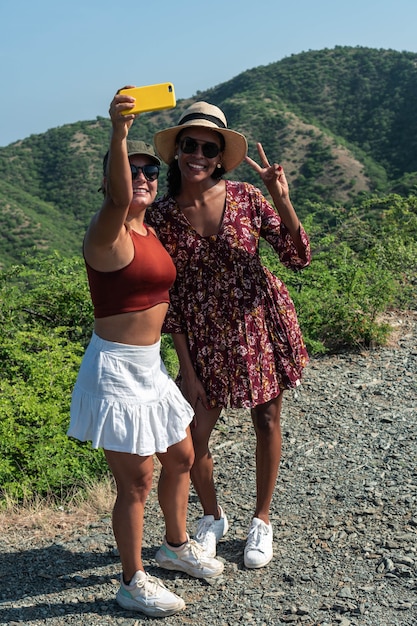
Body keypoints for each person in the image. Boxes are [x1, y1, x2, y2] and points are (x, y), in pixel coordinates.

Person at [67, 91, 223, 619]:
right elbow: (116, 198)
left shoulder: (152, 230)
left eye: (150, 173)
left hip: (150, 365)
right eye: (131, 172)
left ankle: (174, 546)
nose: (143, 179)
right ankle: (132, 579)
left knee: (180, 456)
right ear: (111, 180)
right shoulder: (106, 234)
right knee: (136, 482)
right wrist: (119, 133)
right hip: (115, 369)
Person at [146, 101, 311, 569]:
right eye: (190, 145)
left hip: (260, 322)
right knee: (193, 436)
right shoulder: (160, 217)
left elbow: (297, 257)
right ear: (178, 151)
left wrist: (280, 196)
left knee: (267, 419)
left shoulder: (246, 198)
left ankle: (261, 519)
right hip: (201, 336)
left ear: (220, 156)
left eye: (209, 148)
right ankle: (212, 516)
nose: (198, 154)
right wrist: (185, 364)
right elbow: (169, 296)